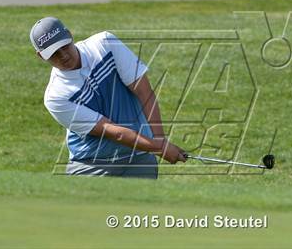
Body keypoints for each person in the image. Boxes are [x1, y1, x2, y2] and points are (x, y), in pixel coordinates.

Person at [29, 17, 186, 178]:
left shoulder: (105, 44)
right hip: (92, 165)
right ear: (41, 56)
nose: (63, 56)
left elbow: (144, 92)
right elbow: (112, 131)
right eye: (53, 53)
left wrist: (160, 141)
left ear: (70, 35)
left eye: (64, 46)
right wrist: (159, 147)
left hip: (139, 155)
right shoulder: (56, 96)